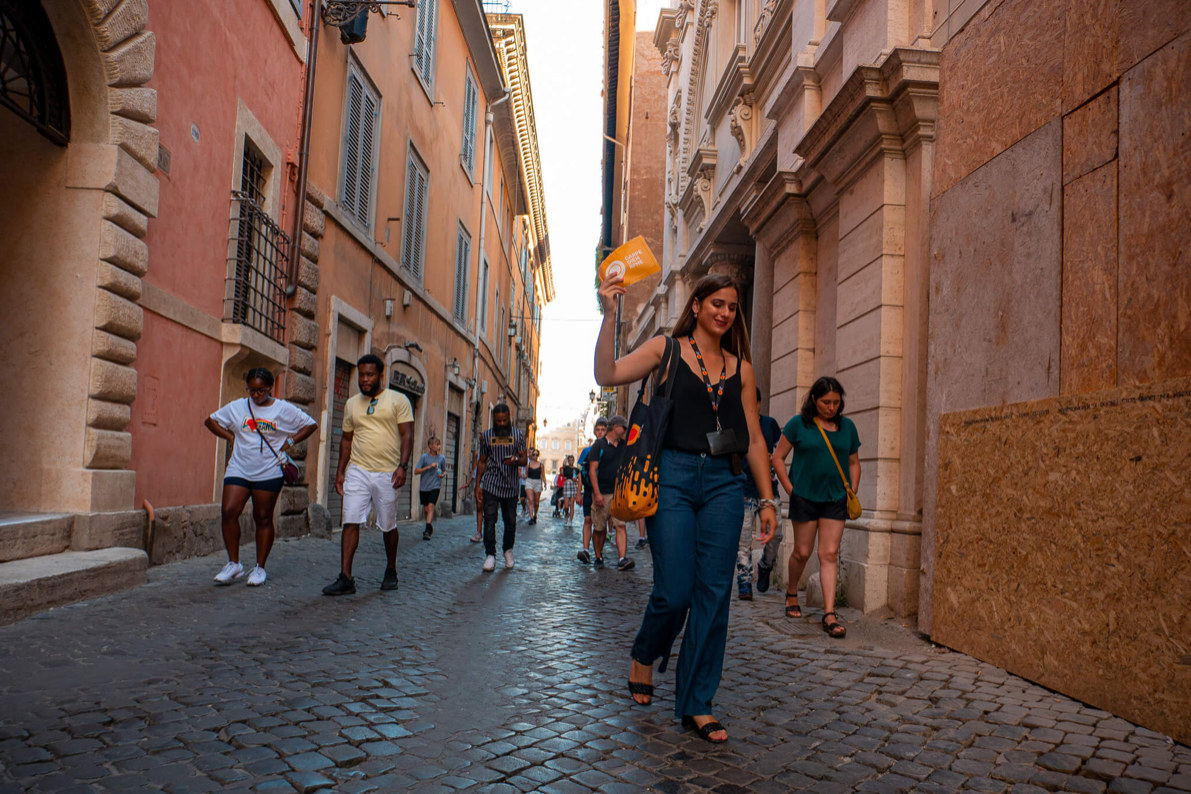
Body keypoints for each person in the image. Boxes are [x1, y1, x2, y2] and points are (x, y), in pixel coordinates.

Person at [596, 271, 778, 744]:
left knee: (713, 596)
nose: (724, 312)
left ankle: (697, 702)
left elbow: (756, 438)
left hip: (723, 482)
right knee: (674, 590)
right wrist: (610, 314)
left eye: (732, 306)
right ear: (696, 306)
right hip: (671, 476)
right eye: (716, 302)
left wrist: (767, 498)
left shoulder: (742, 369)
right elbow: (607, 374)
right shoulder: (667, 349)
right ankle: (645, 652)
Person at [204, 368, 317, 587]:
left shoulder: (282, 409)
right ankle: (234, 564)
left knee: (262, 517)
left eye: (261, 391)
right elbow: (210, 421)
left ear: (270, 388)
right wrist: (230, 437)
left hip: (269, 471)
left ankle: (259, 567)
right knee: (228, 511)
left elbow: (310, 424)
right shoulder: (237, 407)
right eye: (252, 391)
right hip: (239, 468)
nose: (256, 396)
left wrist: (291, 442)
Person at [771, 376, 860, 638]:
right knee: (802, 551)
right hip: (805, 497)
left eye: (835, 402)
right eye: (825, 402)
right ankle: (791, 591)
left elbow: (854, 462)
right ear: (814, 400)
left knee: (829, 554)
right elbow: (777, 458)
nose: (831, 407)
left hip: (835, 499)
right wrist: (791, 490)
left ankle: (829, 613)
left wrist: (851, 490)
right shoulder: (799, 425)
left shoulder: (848, 428)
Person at [323, 354, 414, 596]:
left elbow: (407, 435)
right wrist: (340, 471)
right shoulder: (352, 403)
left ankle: (391, 569)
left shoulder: (399, 400)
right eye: (362, 374)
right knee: (350, 520)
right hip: (358, 470)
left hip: (388, 472)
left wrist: (402, 466)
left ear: (380, 375)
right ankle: (346, 577)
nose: (364, 379)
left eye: (370, 375)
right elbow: (346, 439)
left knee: (388, 525)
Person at [736, 388, 783, 600]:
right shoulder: (735, 425)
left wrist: (773, 457)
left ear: (759, 403)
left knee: (777, 535)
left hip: (769, 491)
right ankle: (744, 581)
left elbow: (779, 452)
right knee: (743, 541)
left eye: (753, 402)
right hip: (744, 490)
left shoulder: (769, 424)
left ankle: (765, 565)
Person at [475, 403, 527, 571]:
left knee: (510, 521)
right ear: (494, 420)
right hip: (491, 483)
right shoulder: (487, 436)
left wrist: (515, 461)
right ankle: (490, 554)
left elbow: (524, 460)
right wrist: (478, 485)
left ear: (509, 418)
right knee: (489, 519)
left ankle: (507, 550)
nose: (502, 423)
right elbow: (482, 461)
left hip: (510, 486)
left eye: (505, 420)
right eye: (499, 421)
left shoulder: (518, 436)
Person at [587, 415, 633, 571]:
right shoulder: (599, 446)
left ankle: (622, 559)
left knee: (620, 525)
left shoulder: (623, 446)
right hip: (602, 493)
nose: (625, 430)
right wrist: (597, 493)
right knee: (599, 528)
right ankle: (598, 557)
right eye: (624, 427)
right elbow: (592, 470)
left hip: (619, 493)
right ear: (616, 427)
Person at [575, 418, 608, 563]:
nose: (600, 432)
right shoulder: (587, 451)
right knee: (588, 519)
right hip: (589, 490)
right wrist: (578, 493)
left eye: (603, 430)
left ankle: (598, 553)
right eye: (598, 430)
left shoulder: (609, 450)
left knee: (601, 524)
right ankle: (586, 550)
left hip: (604, 490)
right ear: (594, 432)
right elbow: (581, 473)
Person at [415, 437, 446, 540]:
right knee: (426, 509)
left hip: (435, 486)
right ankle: (429, 526)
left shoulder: (442, 458)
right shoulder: (424, 458)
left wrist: (443, 475)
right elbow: (416, 471)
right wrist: (428, 467)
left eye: (439, 444)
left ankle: (427, 531)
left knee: (431, 506)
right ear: (430, 446)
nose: (439, 447)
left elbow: (444, 470)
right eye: (437, 445)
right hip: (424, 487)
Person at [525, 449, 543, 524]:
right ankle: (531, 517)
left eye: (536, 455)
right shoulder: (528, 464)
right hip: (529, 481)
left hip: (537, 482)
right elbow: (526, 474)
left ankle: (535, 514)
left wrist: (544, 483)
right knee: (531, 500)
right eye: (533, 455)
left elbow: (542, 475)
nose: (535, 456)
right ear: (531, 456)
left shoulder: (541, 465)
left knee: (536, 502)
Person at [560, 454, 579, 527]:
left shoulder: (576, 469)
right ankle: (566, 514)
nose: (571, 461)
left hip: (573, 486)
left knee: (572, 505)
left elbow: (578, 478)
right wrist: (566, 457)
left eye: (572, 460)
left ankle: (570, 520)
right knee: (566, 506)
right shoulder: (566, 468)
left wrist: (576, 478)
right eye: (569, 460)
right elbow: (563, 464)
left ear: (573, 461)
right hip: (567, 486)